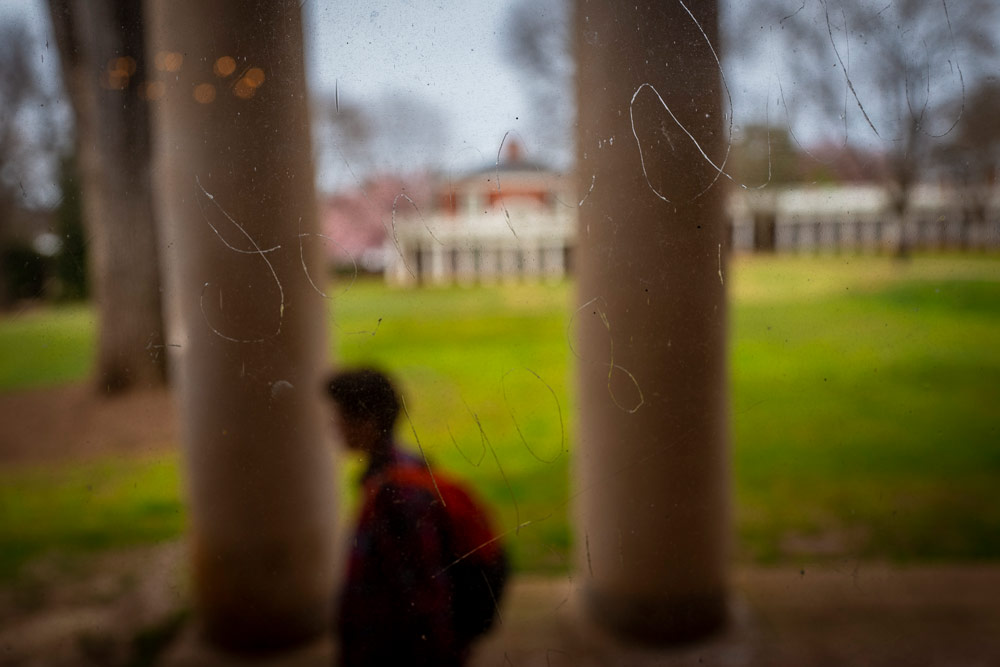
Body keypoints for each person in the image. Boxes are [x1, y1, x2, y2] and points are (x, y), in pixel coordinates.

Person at [326, 368, 506, 667]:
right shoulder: (406, 468)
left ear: (368, 422)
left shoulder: (396, 495)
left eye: (341, 417)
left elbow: (423, 593)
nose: (334, 426)